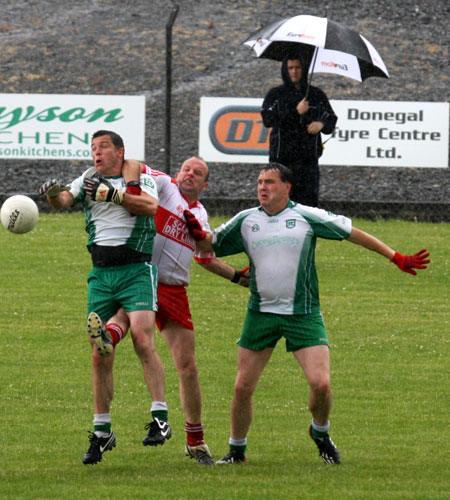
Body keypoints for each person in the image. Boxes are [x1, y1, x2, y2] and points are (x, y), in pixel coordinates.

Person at [184, 163, 430, 465]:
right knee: (242, 387)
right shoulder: (247, 220)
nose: (263, 187)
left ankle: (320, 431)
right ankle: (237, 451)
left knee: (321, 384)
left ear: (287, 188)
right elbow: (210, 245)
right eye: (260, 182)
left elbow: (353, 233)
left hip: (303, 313)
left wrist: (395, 257)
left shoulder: (306, 216)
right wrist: (197, 234)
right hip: (261, 313)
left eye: (270, 182)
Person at [39, 130, 171, 466]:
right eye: (93, 148)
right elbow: (66, 200)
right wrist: (54, 196)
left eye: (103, 148)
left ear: (119, 152)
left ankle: (160, 419)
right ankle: (102, 432)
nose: (96, 153)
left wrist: (111, 194)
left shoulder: (138, 176)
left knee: (143, 337)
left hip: (136, 268)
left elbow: (150, 207)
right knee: (100, 354)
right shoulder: (88, 177)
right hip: (101, 273)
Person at [121, 156, 249, 465]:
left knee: (188, 367)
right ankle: (108, 334)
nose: (189, 174)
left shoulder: (200, 214)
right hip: (142, 278)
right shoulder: (164, 186)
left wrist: (236, 276)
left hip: (174, 290)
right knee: (132, 334)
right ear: (178, 173)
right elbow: (132, 163)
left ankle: (196, 442)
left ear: (205, 185)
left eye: (198, 173)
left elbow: (205, 256)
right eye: (186, 169)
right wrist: (133, 187)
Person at [261, 53, 337, 207]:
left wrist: (321, 123)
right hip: (281, 159)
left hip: (308, 160)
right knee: (280, 202)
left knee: (308, 205)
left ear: (304, 69)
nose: (294, 72)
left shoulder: (316, 94)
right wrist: (296, 112)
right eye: (290, 68)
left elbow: (331, 120)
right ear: (285, 70)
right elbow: (268, 120)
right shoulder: (275, 94)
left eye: (297, 67)